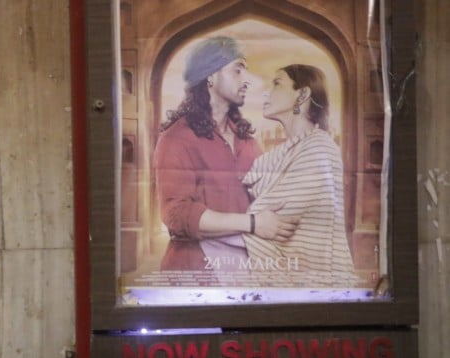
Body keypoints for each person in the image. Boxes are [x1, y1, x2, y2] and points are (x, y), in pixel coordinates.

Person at [153, 36, 297, 273]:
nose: (246, 80)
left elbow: (265, 196)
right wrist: (252, 223)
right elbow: (175, 215)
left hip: (244, 270)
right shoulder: (177, 138)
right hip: (195, 273)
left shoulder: (246, 140)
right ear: (210, 76)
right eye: (237, 70)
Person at [241, 64, 357, 286]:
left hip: (316, 285)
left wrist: (252, 217)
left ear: (303, 94)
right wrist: (254, 218)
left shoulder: (319, 148)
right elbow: (258, 217)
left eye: (277, 83)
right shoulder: (271, 157)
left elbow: (274, 219)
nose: (267, 92)